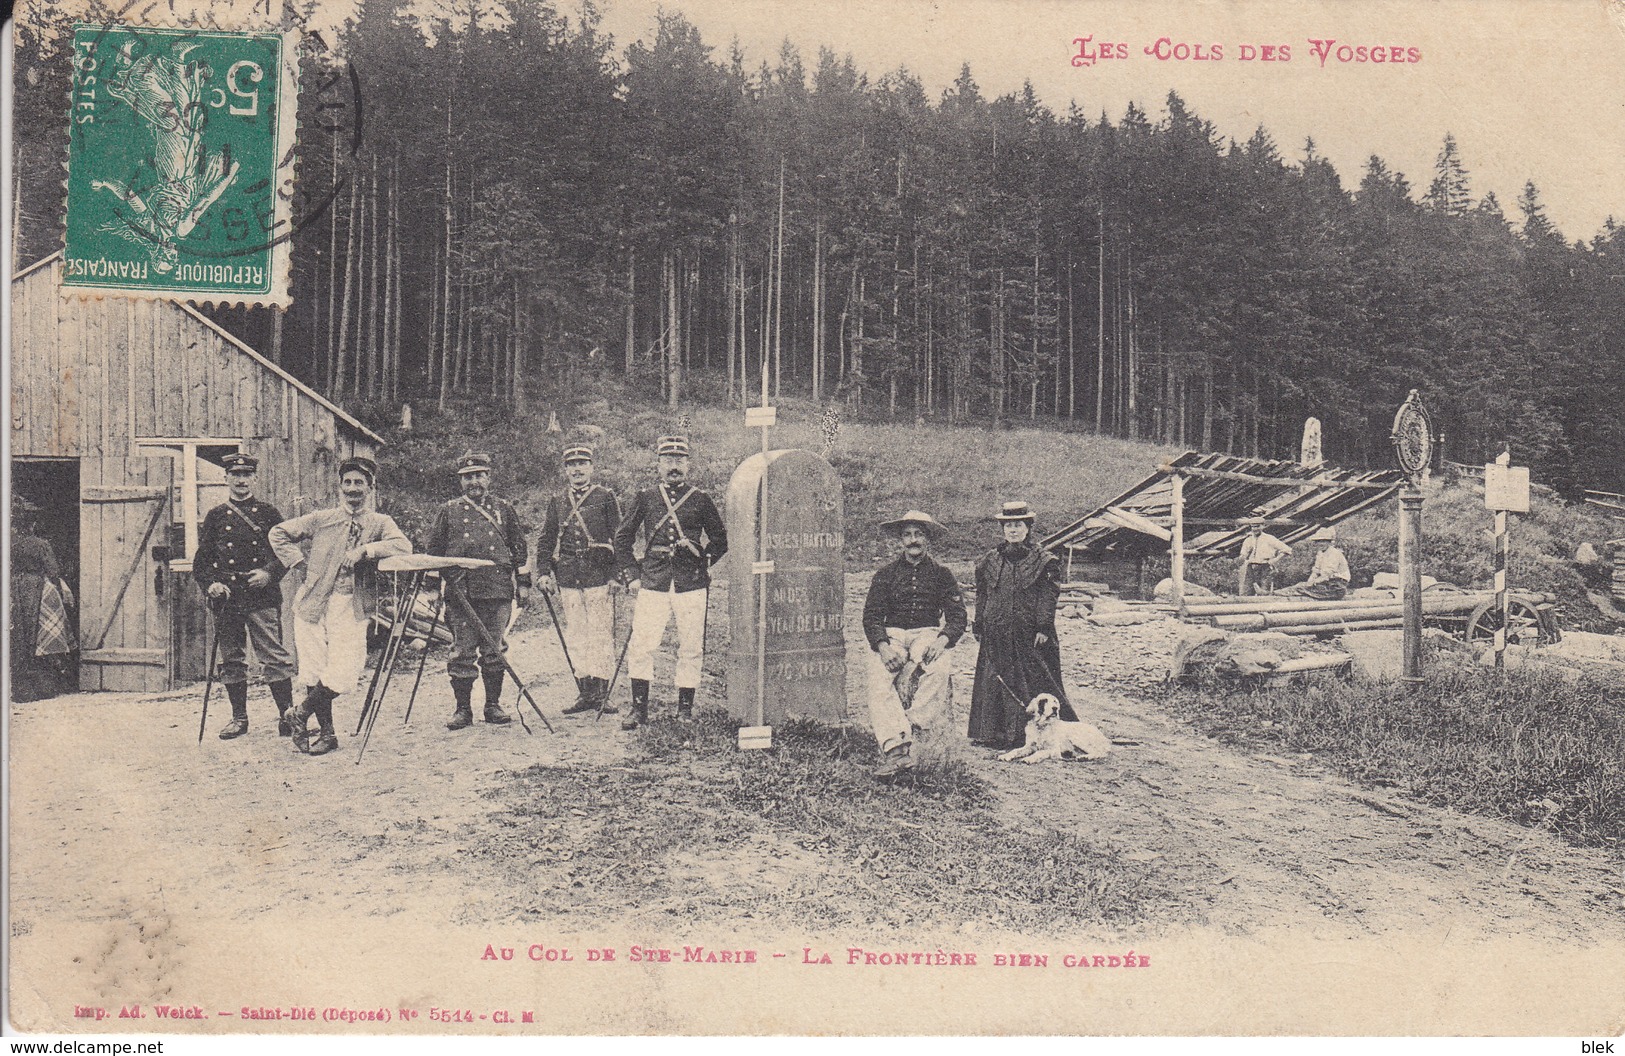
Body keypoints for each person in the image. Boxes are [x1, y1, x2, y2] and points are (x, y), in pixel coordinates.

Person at [269, 456, 411, 756]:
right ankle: (327, 734)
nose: (352, 488)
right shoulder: (323, 518)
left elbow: (402, 545)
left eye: (359, 482)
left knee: (346, 670)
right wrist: (299, 563)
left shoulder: (379, 523)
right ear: (340, 487)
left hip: (351, 603)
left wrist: (365, 550)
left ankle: (300, 713)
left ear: (370, 487)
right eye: (347, 482)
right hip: (312, 602)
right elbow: (278, 533)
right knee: (312, 669)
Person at [613, 436, 727, 729]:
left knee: (691, 646)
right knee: (642, 644)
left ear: (688, 465)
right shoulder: (646, 497)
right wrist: (632, 575)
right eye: (668, 461)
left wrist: (703, 562)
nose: (674, 467)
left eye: (679, 461)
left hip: (691, 583)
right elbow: (623, 538)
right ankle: (639, 710)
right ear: (658, 465)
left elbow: (720, 540)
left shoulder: (700, 499)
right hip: (654, 579)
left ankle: (684, 710)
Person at [192, 453, 297, 739]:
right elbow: (202, 562)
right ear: (226, 478)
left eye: (246, 474)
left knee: (274, 656)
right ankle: (239, 718)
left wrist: (269, 574)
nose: (240, 480)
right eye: (235, 475)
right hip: (228, 598)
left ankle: (287, 717)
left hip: (261, 595)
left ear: (254, 478)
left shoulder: (268, 513)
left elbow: (286, 553)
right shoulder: (215, 516)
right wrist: (211, 585)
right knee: (232, 659)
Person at [424, 452, 531, 731]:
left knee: (495, 648)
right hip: (462, 592)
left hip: (497, 590)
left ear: (488, 478)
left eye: (479, 475)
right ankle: (462, 710)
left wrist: (525, 583)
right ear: (461, 481)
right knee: (462, 651)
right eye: (468, 477)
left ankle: (493, 705)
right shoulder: (448, 510)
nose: (474, 481)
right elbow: (433, 552)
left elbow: (520, 548)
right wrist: (433, 589)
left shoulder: (504, 509)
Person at [861, 510, 968, 779]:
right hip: (894, 634)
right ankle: (896, 750)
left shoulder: (942, 574)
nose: (913, 540)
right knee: (877, 676)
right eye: (907, 535)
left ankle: (913, 725)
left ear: (928, 539)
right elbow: (871, 616)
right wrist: (883, 647)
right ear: (900, 540)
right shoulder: (885, 574)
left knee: (939, 667)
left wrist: (942, 639)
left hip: (927, 633)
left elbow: (958, 617)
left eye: (918, 534)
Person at [966, 501, 1078, 751]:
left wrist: (1043, 627)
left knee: (1035, 679)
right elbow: (982, 594)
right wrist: (979, 622)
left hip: (1030, 635)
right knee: (994, 680)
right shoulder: (990, 561)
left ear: (1028, 528)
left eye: (1018, 525)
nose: (1012, 530)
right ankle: (992, 733)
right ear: (1002, 529)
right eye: (1008, 526)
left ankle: (1034, 734)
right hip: (996, 631)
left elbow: (1048, 597)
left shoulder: (1044, 561)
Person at [537, 444, 622, 715]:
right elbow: (546, 540)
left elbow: (620, 537)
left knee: (600, 633)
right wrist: (543, 572)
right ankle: (584, 692)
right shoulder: (558, 501)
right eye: (571, 465)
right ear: (565, 470)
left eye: (582, 464)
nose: (577, 469)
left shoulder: (605, 496)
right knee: (576, 635)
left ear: (591, 468)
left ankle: (602, 693)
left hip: (599, 576)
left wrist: (616, 575)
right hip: (569, 578)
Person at [9, 498, 77, 702]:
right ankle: (43, 684)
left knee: (21, 633)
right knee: (43, 632)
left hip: (16, 588)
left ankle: (22, 685)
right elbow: (53, 571)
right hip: (38, 588)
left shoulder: (13, 544)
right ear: (33, 525)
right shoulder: (42, 544)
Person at [1279, 526, 1350, 599]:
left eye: (1324, 541)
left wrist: (1310, 584)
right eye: (1318, 541)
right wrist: (1309, 582)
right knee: (1300, 586)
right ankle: (1281, 593)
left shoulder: (1334, 553)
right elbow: (1316, 571)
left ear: (1329, 542)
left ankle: (1285, 593)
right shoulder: (1320, 553)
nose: (1321, 544)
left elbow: (1326, 575)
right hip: (1325, 583)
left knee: (1301, 589)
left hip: (1337, 585)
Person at [1236, 516, 1292, 596]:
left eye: (1257, 526)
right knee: (1246, 592)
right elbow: (1243, 555)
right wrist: (1242, 558)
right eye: (1253, 526)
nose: (1255, 529)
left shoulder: (1269, 539)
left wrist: (1274, 560)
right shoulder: (1248, 540)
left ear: (1263, 526)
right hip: (1251, 567)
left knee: (1264, 591)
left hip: (1265, 567)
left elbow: (1287, 550)